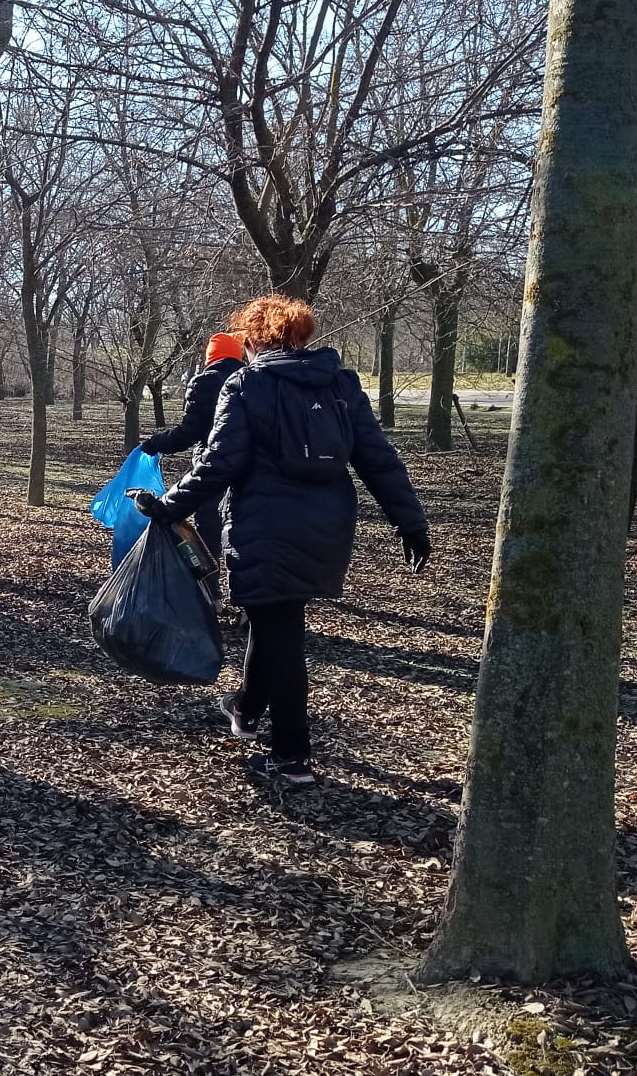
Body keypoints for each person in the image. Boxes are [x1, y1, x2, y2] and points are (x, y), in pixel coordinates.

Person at [133, 295, 430, 788]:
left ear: (253, 338)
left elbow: (218, 464)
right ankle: (246, 709)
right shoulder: (341, 383)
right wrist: (409, 521)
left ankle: (292, 755)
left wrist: (168, 507)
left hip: (265, 525)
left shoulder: (247, 384)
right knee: (271, 619)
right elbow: (378, 457)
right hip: (328, 527)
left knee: (281, 629)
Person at [137, 331, 245, 559]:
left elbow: (187, 433)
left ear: (211, 357)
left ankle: (209, 586)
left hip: (211, 468)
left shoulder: (204, 383)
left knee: (208, 536)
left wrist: (154, 443)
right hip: (246, 471)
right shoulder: (251, 380)